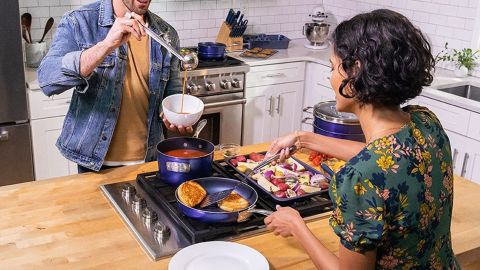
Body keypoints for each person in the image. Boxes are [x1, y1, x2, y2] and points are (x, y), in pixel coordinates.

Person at [264, 9, 460, 269]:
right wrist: (303, 139)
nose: (330, 77)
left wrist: (296, 226)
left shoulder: (357, 179)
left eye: (333, 67)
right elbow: (385, 159)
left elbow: (372, 167)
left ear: (355, 72)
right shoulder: (426, 122)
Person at [38, 0, 191, 173]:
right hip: (94, 164)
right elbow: (47, 79)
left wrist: (174, 115)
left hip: (149, 161)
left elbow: (172, 91)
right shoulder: (80, 21)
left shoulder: (166, 33)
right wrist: (106, 45)